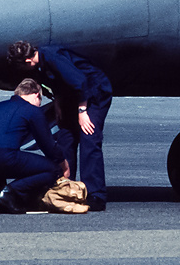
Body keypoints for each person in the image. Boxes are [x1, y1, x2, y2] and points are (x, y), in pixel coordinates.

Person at [8, 40, 112, 213]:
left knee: (89, 137)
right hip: (73, 95)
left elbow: (81, 82)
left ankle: (96, 195)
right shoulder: (39, 63)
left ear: (27, 61)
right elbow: (59, 84)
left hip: (94, 93)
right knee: (65, 138)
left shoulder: (53, 57)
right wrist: (58, 105)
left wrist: (82, 112)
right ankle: (66, 186)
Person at [0, 78, 69, 212]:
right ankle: (10, 192)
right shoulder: (32, 110)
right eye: (40, 100)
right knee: (52, 169)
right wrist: (63, 164)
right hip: (2, 158)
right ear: (37, 95)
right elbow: (48, 146)